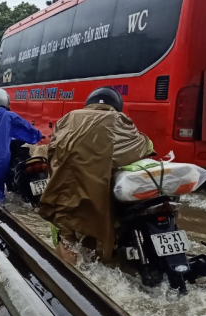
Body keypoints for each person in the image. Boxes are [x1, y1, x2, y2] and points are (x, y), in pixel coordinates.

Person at [38, 87, 153, 263]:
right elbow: (142, 147)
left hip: (68, 194)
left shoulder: (68, 117)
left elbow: (53, 151)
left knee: (66, 236)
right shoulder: (120, 119)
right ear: (116, 105)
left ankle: (68, 270)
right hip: (102, 198)